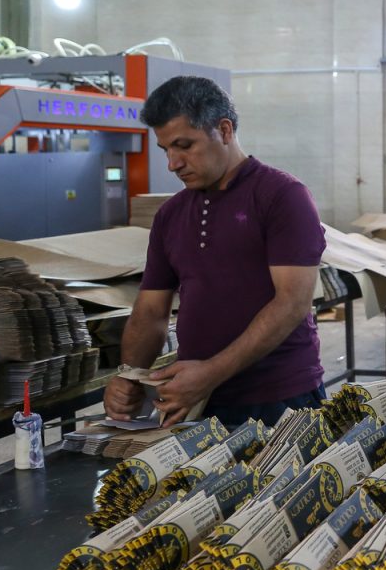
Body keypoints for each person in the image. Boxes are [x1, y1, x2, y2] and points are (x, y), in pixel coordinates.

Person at [103, 76, 326, 428]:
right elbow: (150, 310)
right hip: (197, 400)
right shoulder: (171, 215)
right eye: (165, 149)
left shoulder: (281, 196)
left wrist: (210, 374)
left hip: (279, 398)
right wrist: (129, 374)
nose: (173, 163)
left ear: (223, 130)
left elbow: (292, 303)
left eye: (184, 145)